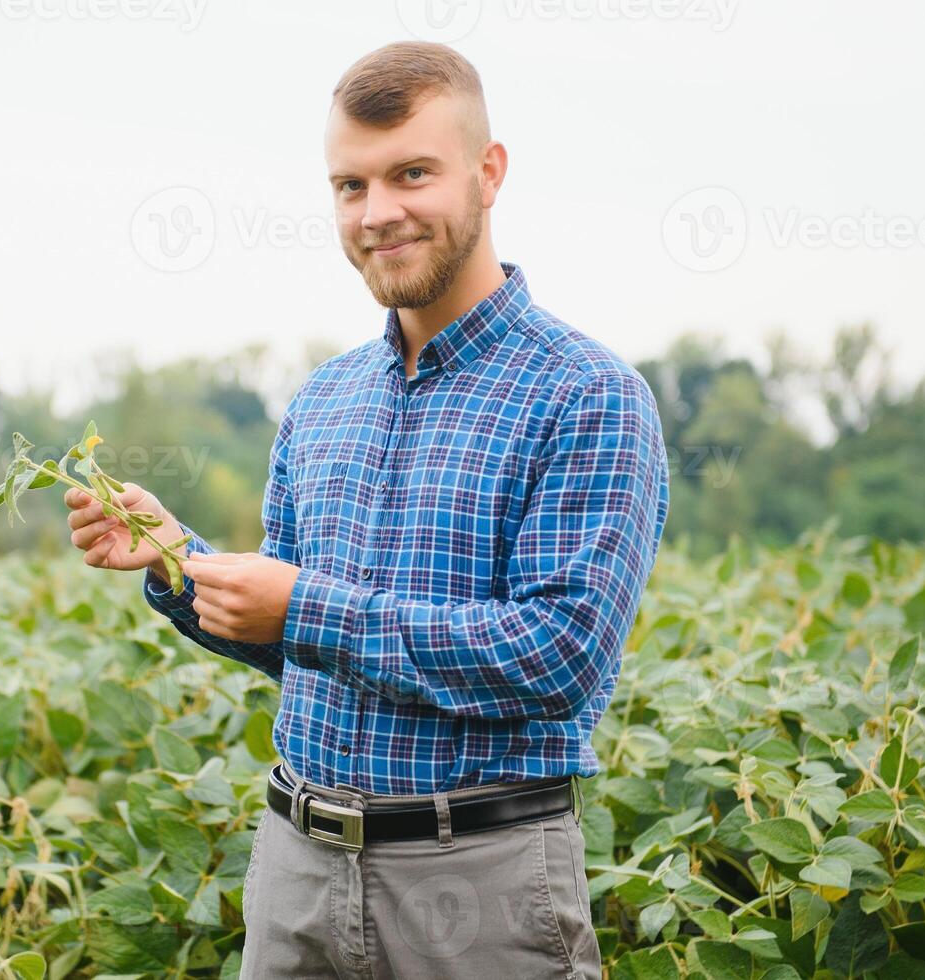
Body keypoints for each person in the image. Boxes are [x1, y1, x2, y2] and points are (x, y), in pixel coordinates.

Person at [64, 39, 669, 980]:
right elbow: (301, 646)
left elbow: (559, 655)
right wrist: (178, 557)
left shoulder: (586, 393)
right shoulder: (324, 398)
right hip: (296, 875)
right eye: (351, 186)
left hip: (479, 882)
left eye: (412, 174)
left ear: (489, 172)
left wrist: (302, 604)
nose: (378, 212)